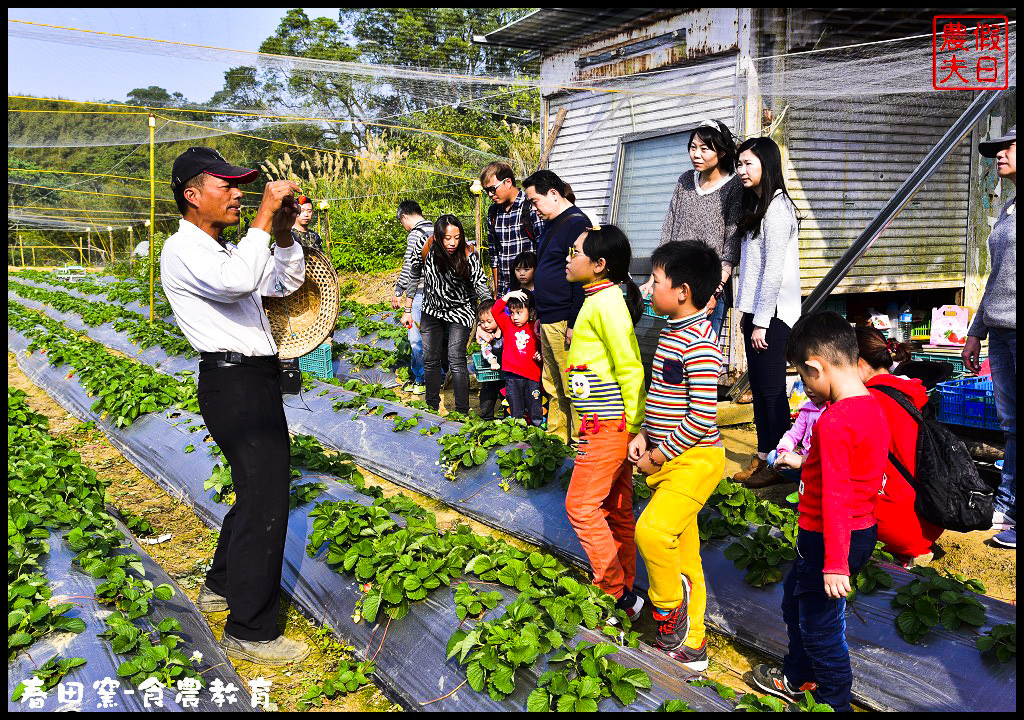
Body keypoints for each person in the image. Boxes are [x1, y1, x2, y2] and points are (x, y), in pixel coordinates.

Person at [159, 146, 309, 665]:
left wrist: (282, 234)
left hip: (254, 380)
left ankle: (221, 585)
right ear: (192, 195)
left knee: (254, 492)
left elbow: (282, 285)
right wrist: (265, 217)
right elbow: (240, 282)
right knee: (267, 499)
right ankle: (250, 628)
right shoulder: (183, 250)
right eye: (226, 186)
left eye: (241, 186)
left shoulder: (225, 248)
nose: (238, 194)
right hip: (234, 383)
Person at [751, 311, 889, 712]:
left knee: (821, 627)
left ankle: (833, 702)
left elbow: (836, 496)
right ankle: (797, 676)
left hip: (830, 537)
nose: (804, 386)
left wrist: (834, 564)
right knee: (797, 604)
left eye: (802, 375)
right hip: (858, 532)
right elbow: (855, 470)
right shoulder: (871, 406)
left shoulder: (833, 422)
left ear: (816, 367)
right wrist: (806, 463)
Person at [628, 240, 725, 672]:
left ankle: (668, 611)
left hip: (696, 460)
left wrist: (657, 456)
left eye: (657, 282)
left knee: (651, 532)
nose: (649, 289)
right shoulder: (671, 332)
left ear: (682, 291)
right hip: (669, 454)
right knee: (685, 555)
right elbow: (665, 398)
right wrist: (644, 434)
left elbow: (702, 418)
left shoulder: (701, 346)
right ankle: (694, 644)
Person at [562, 225, 646, 618]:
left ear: (598, 265)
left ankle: (613, 593)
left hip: (609, 426)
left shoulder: (607, 304)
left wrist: (632, 426)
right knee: (615, 510)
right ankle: (625, 586)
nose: (568, 257)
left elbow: (630, 368)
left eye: (575, 252)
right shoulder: (597, 300)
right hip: (601, 423)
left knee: (580, 506)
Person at [732, 136, 802, 485]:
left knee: (772, 391)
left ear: (767, 166)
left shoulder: (777, 208)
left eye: (749, 164)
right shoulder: (759, 205)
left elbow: (773, 270)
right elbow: (752, 268)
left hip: (773, 316)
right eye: (740, 164)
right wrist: (746, 313)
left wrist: (760, 322)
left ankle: (778, 463)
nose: (741, 170)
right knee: (760, 390)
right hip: (759, 313)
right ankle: (765, 457)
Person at [641, 119, 743, 339]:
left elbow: (731, 248)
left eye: (704, 149)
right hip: (674, 284)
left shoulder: (734, 187)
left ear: (722, 152)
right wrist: (654, 276)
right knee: (673, 351)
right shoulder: (686, 180)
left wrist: (716, 291)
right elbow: (669, 228)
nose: (696, 154)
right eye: (693, 147)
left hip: (707, 286)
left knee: (700, 351)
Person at [963, 125, 1016, 550]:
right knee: (1012, 425)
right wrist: (975, 333)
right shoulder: (1010, 206)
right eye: (996, 150)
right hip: (1000, 331)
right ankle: (1010, 502)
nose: (999, 155)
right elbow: (996, 278)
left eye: (1007, 148)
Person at [857, 327, 943, 565]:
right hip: (932, 518)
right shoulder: (912, 390)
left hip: (894, 529)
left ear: (859, 363)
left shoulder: (867, 401)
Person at [523, 169, 591, 445]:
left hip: (565, 318)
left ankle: (579, 442)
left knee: (573, 383)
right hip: (549, 316)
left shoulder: (577, 224)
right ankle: (556, 437)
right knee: (552, 382)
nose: (533, 207)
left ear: (553, 194)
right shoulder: (551, 223)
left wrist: (574, 321)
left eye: (534, 200)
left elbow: (583, 279)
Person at [401, 214, 491, 416]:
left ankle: (461, 411)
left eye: (457, 237)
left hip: (461, 310)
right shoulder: (426, 248)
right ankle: (431, 407)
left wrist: (488, 312)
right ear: (438, 236)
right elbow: (414, 275)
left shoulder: (468, 254)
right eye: (447, 238)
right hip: (432, 309)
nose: (452, 243)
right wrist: (408, 310)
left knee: (456, 358)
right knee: (431, 359)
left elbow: (480, 285)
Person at [482, 161, 544, 297]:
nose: (490, 194)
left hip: (530, 291)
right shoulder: (493, 212)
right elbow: (494, 255)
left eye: (493, 189)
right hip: (505, 291)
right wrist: (497, 292)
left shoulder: (530, 206)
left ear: (508, 182)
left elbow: (543, 249)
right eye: (486, 191)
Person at [393, 200, 435, 395]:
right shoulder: (438, 229)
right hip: (439, 294)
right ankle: (439, 375)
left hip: (419, 293)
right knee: (435, 337)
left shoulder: (415, 235)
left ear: (404, 217)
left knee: (416, 338)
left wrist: (399, 290)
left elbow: (410, 267)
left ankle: (420, 379)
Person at [748, 387, 828, 488]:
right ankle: (804, 486)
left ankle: (818, 489)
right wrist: (783, 451)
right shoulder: (807, 409)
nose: (809, 389)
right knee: (773, 457)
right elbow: (793, 434)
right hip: (804, 457)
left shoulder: (833, 409)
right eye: (805, 383)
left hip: (822, 460)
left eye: (812, 385)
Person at [491, 289, 543, 425]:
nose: (515, 317)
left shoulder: (535, 327)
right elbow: (495, 311)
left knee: (535, 407)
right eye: (512, 312)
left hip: (532, 376)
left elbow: (542, 347)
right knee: (516, 408)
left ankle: (536, 431)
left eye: (519, 312)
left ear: (531, 312)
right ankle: (517, 431)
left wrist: (540, 354)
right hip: (512, 376)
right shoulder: (507, 324)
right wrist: (507, 296)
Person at [475, 301, 504, 421]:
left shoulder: (505, 330)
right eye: (482, 322)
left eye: (489, 321)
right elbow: (485, 350)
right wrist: (492, 360)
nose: (485, 325)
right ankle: (486, 418)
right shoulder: (486, 335)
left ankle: (508, 416)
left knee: (507, 394)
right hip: (490, 371)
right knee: (487, 395)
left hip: (506, 369)